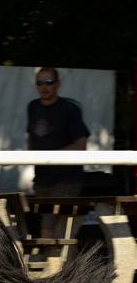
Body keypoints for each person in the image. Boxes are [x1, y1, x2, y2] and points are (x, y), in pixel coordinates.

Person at [26, 66, 90, 238]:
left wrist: (52, 156)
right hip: (41, 180)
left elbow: (81, 144)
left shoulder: (69, 109)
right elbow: (31, 138)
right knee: (62, 235)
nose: (44, 86)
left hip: (66, 180)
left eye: (49, 82)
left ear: (58, 84)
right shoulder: (32, 107)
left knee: (47, 230)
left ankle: (51, 265)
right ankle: (75, 264)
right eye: (40, 82)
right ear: (36, 85)